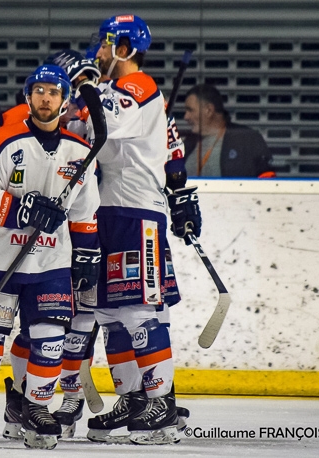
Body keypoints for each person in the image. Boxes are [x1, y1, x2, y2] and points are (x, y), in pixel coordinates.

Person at [0, 64, 100, 450]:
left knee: (49, 339)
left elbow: (84, 210)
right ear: (28, 97)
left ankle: (37, 407)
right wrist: (23, 211)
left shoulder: (80, 151)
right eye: (39, 90)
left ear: (65, 101)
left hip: (50, 262)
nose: (46, 98)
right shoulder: (1, 140)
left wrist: (87, 255)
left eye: (54, 92)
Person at [80, 15, 202, 445]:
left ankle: (161, 403)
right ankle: (134, 399)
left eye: (105, 45)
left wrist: (83, 86)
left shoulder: (139, 86)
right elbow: (171, 146)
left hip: (137, 213)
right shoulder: (120, 91)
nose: (98, 51)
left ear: (125, 50)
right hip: (107, 211)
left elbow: (104, 122)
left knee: (140, 311)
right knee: (111, 314)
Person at [183, 83, 273, 177]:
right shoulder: (188, 144)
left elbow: (268, 180)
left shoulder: (246, 139)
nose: (186, 117)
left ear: (209, 110)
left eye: (190, 110)